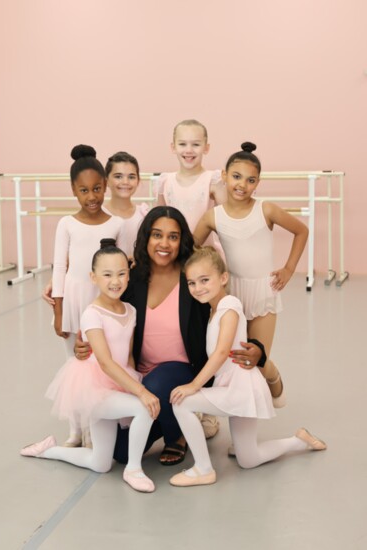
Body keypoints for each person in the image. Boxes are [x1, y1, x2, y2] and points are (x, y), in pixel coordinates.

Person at [74, 206, 266, 466]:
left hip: (184, 372)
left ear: (181, 241)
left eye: (173, 237)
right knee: (120, 452)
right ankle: (173, 417)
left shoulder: (193, 278)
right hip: (141, 376)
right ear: (146, 238)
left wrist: (257, 348)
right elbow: (106, 311)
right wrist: (83, 342)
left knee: (158, 385)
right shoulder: (132, 279)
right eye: (157, 235)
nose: (164, 243)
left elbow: (227, 311)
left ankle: (178, 436)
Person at [169, 247, 326, 487]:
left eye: (204, 280)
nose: (198, 287)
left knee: (182, 402)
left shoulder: (229, 305)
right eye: (192, 283)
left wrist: (194, 385)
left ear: (223, 278)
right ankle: (298, 441)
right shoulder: (213, 309)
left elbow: (222, 352)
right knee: (248, 459)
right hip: (236, 386)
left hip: (240, 388)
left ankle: (203, 468)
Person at [21, 241, 160, 493]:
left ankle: (48, 450)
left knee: (101, 463)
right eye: (107, 275)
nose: (115, 281)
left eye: (121, 274)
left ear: (129, 274)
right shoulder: (92, 313)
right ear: (93, 277)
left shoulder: (130, 310)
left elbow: (127, 357)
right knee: (144, 407)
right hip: (94, 388)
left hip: (118, 382)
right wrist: (141, 392)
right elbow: (105, 362)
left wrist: (133, 385)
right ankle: (134, 469)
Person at [193, 142, 309, 406]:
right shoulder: (213, 216)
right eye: (236, 177)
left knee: (254, 357)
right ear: (224, 176)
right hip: (230, 293)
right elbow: (191, 248)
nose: (241, 185)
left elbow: (301, 231)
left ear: (257, 183)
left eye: (250, 180)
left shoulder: (265, 209)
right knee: (234, 359)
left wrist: (289, 268)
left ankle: (273, 375)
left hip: (262, 291)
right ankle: (243, 417)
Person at [156, 118, 227, 437]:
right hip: (175, 267)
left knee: (206, 337)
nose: (189, 150)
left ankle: (207, 407)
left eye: (196, 144)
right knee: (183, 333)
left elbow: (224, 219)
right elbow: (159, 223)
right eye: (183, 144)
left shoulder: (213, 179)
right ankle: (187, 401)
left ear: (207, 147)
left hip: (205, 267)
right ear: (173, 147)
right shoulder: (166, 181)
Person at [51, 144, 125, 447]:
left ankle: (98, 427)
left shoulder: (116, 224)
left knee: (100, 363)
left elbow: (122, 267)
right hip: (74, 300)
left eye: (97, 189)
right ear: (73, 190)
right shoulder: (66, 224)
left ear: (105, 186)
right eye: (84, 190)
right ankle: (76, 429)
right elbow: (59, 268)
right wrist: (59, 312)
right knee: (76, 365)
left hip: (104, 302)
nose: (92, 197)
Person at [103, 151, 149, 260]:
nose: (125, 182)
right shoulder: (99, 215)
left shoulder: (144, 215)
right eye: (118, 176)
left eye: (131, 177)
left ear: (138, 180)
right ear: (106, 181)